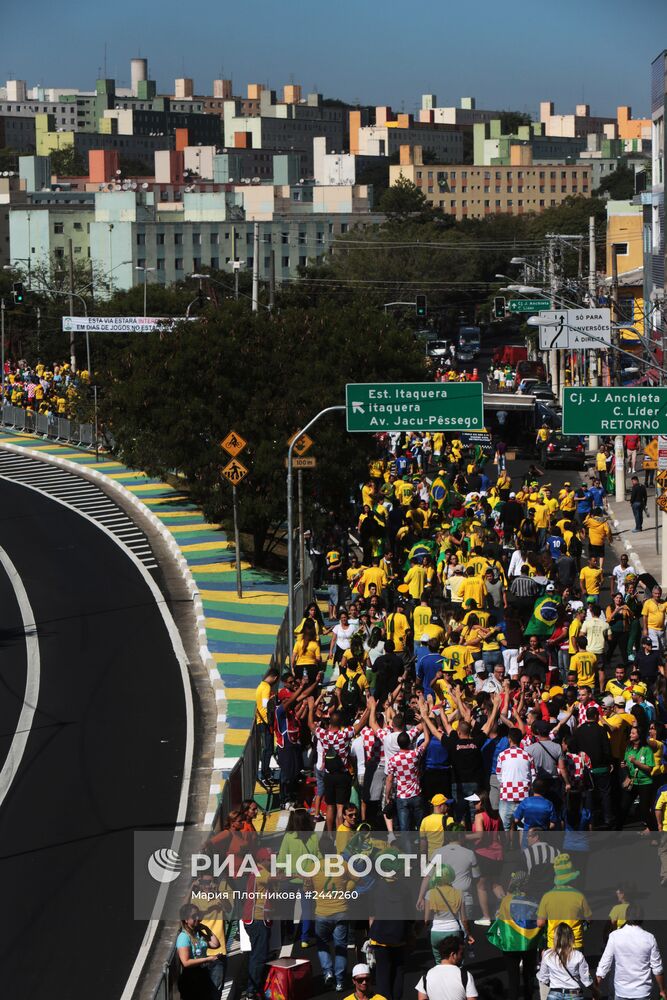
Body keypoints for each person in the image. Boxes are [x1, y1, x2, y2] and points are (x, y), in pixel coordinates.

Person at [596, 903, 667, 1000]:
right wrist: (662, 990)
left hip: (622, 991)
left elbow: (604, 964)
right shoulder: (649, 938)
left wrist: (595, 989)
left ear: (626, 917)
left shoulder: (614, 936)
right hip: (642, 992)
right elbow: (657, 968)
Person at [536, 854, 592, 950]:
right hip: (575, 944)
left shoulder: (547, 897)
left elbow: (540, 923)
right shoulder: (579, 896)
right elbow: (589, 919)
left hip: (554, 944)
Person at [424, 863, 473, 964]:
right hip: (453, 931)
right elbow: (464, 920)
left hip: (436, 932)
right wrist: (469, 934)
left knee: (439, 962)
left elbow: (426, 920)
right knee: (457, 961)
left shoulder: (430, 893)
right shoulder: (459, 893)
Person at [537, 922, 597, 1000]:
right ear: (571, 937)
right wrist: (594, 990)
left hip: (554, 993)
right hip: (574, 994)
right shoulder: (578, 955)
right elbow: (586, 979)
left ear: (555, 937)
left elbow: (543, 979)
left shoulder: (547, 955)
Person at [176, 904, 222, 1000]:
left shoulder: (198, 933)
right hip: (191, 979)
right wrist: (208, 959)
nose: (197, 918)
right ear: (186, 920)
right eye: (194, 916)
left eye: (198, 915)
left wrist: (206, 929)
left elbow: (215, 944)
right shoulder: (183, 937)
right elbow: (186, 962)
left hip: (203, 974)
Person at [415, 935, 478, 1000]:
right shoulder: (466, 976)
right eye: (461, 954)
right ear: (453, 955)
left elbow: (421, 998)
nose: (463, 957)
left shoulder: (426, 977)